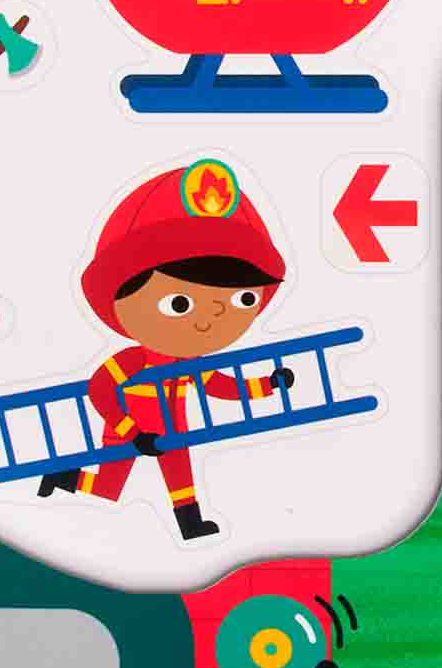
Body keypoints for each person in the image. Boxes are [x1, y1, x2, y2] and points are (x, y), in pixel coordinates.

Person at [66, 161, 291, 539]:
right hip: (128, 431)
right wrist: (130, 430)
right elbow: (100, 390)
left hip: (171, 427)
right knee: (107, 488)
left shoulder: (190, 362)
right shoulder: (133, 360)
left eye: (242, 299)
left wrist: (269, 385)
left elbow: (221, 386)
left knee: (180, 476)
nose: (212, 318)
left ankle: (190, 525)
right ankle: (65, 477)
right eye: (179, 303)